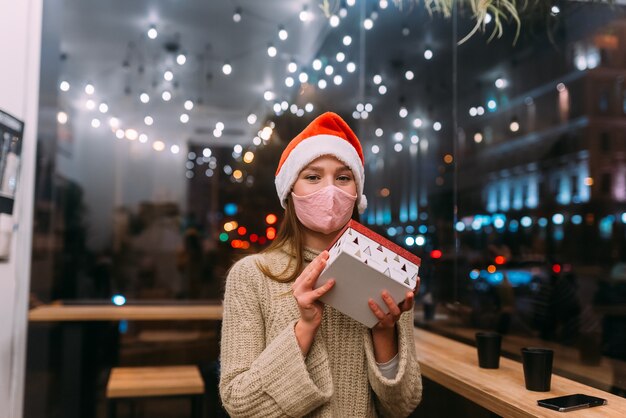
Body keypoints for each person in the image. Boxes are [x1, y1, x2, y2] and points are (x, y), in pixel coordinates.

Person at [219, 112, 423, 417]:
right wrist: (305, 326)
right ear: (290, 191)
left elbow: (402, 405)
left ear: (356, 193)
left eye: (343, 177)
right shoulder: (252, 276)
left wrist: (384, 330)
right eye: (313, 176)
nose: (330, 190)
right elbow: (240, 404)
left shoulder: (385, 269)